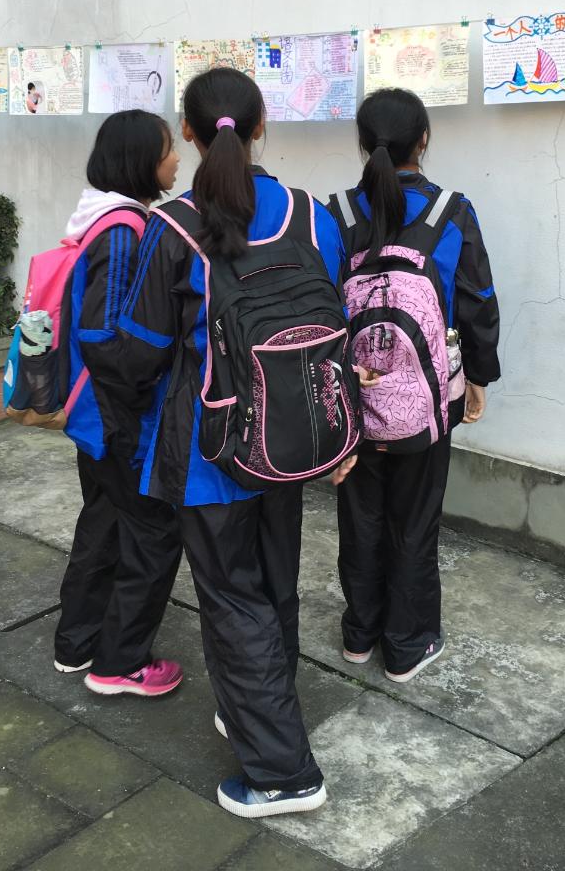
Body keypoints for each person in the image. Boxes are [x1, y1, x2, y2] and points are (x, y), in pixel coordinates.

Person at [94, 67, 354, 819]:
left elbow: (138, 353)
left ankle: (281, 773)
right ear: (262, 124)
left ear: (189, 131)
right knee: (272, 585)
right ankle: (258, 709)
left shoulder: (174, 226)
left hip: (208, 451)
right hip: (293, 437)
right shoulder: (312, 215)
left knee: (232, 600)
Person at [329, 87, 500, 683]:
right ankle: (407, 645)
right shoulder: (451, 212)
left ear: (362, 143)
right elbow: (477, 299)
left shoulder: (335, 214)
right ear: (422, 140)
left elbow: (320, 307)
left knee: (360, 518)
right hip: (427, 402)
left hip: (353, 397)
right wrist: (478, 377)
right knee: (415, 520)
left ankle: (359, 635)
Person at [53, 109, 185, 699]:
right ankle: (121, 662)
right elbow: (103, 334)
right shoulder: (124, 231)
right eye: (168, 148)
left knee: (105, 520)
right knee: (154, 530)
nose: (176, 159)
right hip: (114, 416)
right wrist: (140, 399)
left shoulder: (99, 219)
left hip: (92, 412)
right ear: (141, 160)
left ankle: (76, 643)